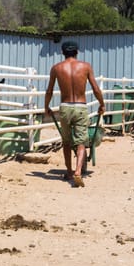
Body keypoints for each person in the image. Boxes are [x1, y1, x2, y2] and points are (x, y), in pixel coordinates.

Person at [44, 41, 105, 188]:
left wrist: (46, 106)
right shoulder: (85, 66)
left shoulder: (56, 68)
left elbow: (49, 91)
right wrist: (102, 104)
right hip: (80, 106)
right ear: (77, 51)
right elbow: (96, 89)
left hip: (65, 107)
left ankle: (70, 171)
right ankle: (78, 171)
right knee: (81, 142)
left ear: (62, 52)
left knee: (66, 141)